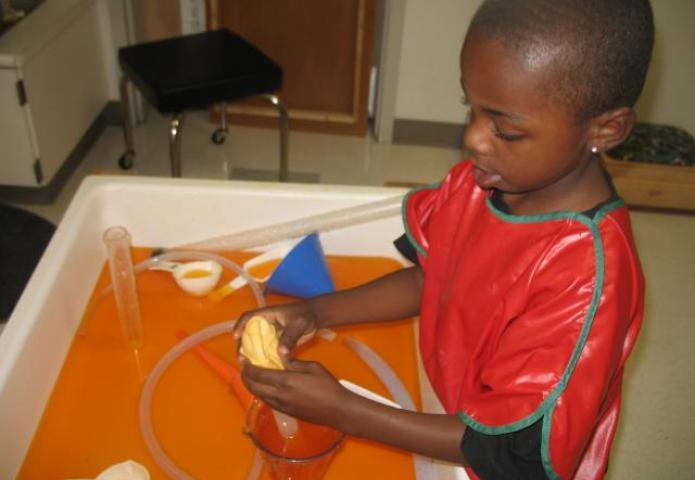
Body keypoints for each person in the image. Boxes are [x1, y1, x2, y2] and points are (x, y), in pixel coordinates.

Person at [234, 0, 653, 478]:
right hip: (451, 414)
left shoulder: (586, 276)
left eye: (507, 130)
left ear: (606, 129)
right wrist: (315, 311)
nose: (473, 138)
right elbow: (433, 277)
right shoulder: (484, 181)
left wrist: (344, 410)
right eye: (470, 107)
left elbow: (512, 453)